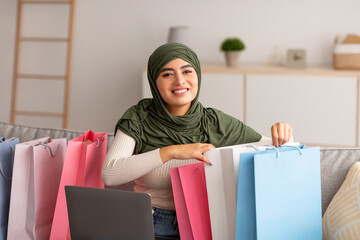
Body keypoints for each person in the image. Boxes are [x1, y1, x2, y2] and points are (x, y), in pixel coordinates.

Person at [101, 43, 293, 239]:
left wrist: (284, 133)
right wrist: (172, 151)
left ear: (198, 76)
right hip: (149, 223)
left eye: (187, 71)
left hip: (205, 224)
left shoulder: (214, 122)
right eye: (167, 74)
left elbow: (278, 149)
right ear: (154, 81)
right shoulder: (139, 118)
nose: (179, 81)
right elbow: (110, 173)